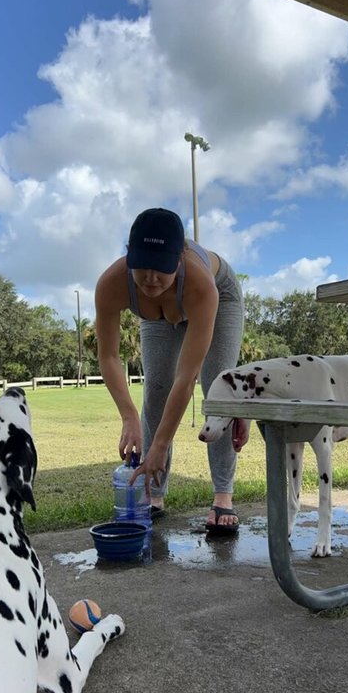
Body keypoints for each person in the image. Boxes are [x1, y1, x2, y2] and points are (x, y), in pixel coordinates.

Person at [95, 207, 247, 532]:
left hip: (219, 297)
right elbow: (108, 356)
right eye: (142, 267)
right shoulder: (111, 283)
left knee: (216, 391)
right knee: (156, 390)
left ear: (179, 258)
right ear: (129, 255)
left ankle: (223, 497)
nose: (151, 278)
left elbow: (187, 376)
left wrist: (159, 445)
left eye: (161, 268)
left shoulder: (200, 285)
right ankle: (154, 496)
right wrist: (128, 417)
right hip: (160, 316)